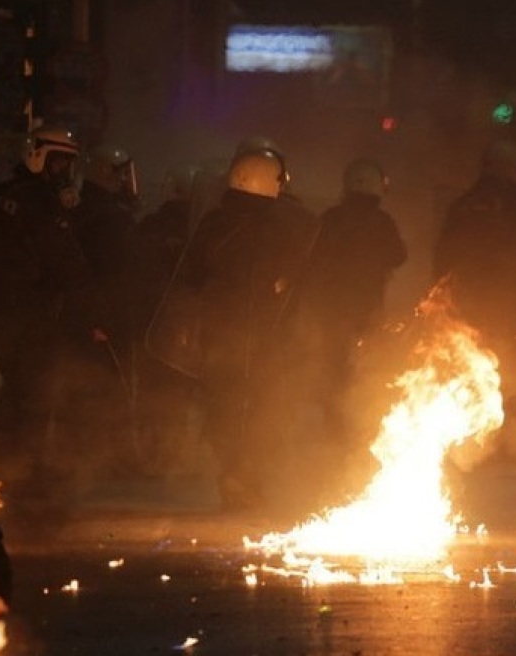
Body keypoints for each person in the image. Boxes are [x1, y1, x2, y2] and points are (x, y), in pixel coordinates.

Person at [0, 125, 109, 496]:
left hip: (2, 315)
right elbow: (68, 264)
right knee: (34, 395)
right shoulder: (40, 204)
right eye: (59, 163)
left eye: (68, 165)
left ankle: (1, 470)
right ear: (37, 156)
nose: (63, 173)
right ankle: (23, 479)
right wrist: (94, 314)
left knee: (13, 391)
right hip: (34, 316)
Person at [175, 148, 301, 511]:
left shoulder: (214, 222)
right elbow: (283, 281)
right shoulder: (273, 229)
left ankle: (234, 478)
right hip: (254, 337)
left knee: (224, 407)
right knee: (254, 408)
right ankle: (242, 481)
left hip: (216, 336)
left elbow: (191, 275)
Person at [433, 139, 516, 444]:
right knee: (509, 373)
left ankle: (468, 443)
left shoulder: (462, 205)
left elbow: (442, 258)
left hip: (463, 306)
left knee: (467, 368)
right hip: (505, 306)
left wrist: (439, 305)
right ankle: (505, 443)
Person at [301, 158, 407, 445]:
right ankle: (364, 431)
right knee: (369, 370)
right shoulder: (382, 222)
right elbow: (399, 256)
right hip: (368, 312)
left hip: (332, 312)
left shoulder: (330, 219)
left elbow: (311, 260)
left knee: (336, 370)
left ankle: (336, 432)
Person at [62, 143, 139, 475]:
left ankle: (86, 456)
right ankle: (106, 459)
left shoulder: (81, 209)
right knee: (106, 388)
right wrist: (105, 318)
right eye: (121, 175)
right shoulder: (108, 217)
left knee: (84, 387)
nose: (126, 182)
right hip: (101, 318)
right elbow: (114, 274)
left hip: (82, 315)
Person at [128, 164, 199, 475]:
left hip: (150, 325)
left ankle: (146, 458)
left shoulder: (150, 226)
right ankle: (172, 459)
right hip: (183, 328)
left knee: (150, 395)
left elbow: (134, 275)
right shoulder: (198, 227)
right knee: (177, 396)